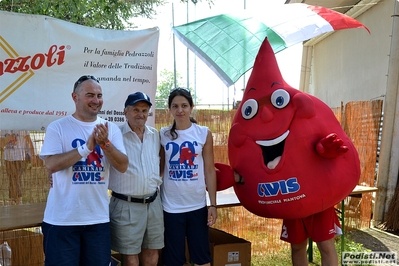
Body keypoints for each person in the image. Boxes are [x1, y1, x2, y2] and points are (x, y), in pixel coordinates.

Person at [39, 75, 128, 266]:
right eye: (90, 95)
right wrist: (86, 148)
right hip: (62, 220)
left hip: (97, 219)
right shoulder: (58, 127)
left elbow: (122, 166)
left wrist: (105, 144)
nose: (96, 100)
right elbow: (51, 164)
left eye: (99, 95)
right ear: (75, 97)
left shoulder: (110, 129)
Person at [159, 87, 217, 266]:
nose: (180, 110)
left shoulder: (203, 133)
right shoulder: (163, 134)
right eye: (175, 106)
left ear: (191, 107)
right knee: (174, 259)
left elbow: (209, 170)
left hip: (197, 205)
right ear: (170, 109)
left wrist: (213, 204)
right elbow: (160, 169)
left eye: (184, 105)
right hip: (171, 207)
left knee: (201, 258)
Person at [109, 92, 164, 266]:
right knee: (131, 257)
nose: (140, 114)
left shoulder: (155, 135)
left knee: (152, 251)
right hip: (126, 204)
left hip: (153, 203)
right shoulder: (115, 134)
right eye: (135, 110)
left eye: (144, 110)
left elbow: (161, 161)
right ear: (125, 112)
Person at [0, 130, 35, 205]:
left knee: (16, 178)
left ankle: (18, 200)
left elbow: (29, 141)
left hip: (19, 158)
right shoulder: (3, 128)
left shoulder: (22, 127)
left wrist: (33, 155)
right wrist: (8, 138)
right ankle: (13, 199)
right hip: (8, 158)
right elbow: (1, 144)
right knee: (11, 178)